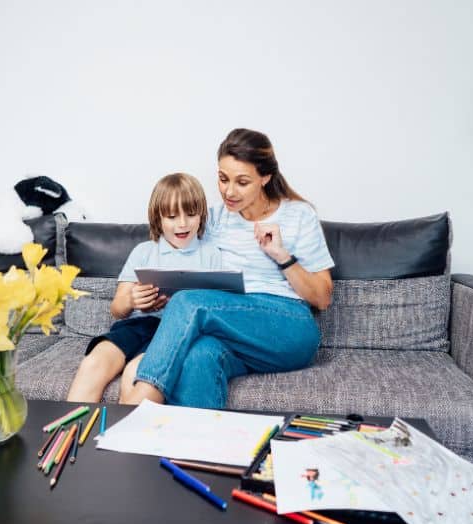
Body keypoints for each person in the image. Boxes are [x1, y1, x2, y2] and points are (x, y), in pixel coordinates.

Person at [119, 128, 334, 408]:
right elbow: (180, 257)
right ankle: (192, 451)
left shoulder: (298, 214)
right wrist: (149, 294)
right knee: (200, 355)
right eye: (222, 179)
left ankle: (137, 405)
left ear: (265, 178)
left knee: (189, 303)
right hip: (229, 330)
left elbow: (323, 298)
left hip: (287, 327)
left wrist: (281, 256)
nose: (229, 192)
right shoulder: (214, 218)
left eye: (242, 182)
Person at [67, 173, 221, 403]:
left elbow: (218, 307)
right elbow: (117, 309)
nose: (182, 223)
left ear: (202, 216)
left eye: (191, 214)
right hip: (135, 325)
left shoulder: (211, 254)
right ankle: (70, 435)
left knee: (135, 373)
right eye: (171, 216)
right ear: (158, 219)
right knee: (93, 363)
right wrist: (132, 300)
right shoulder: (143, 251)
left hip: (172, 332)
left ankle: (122, 438)